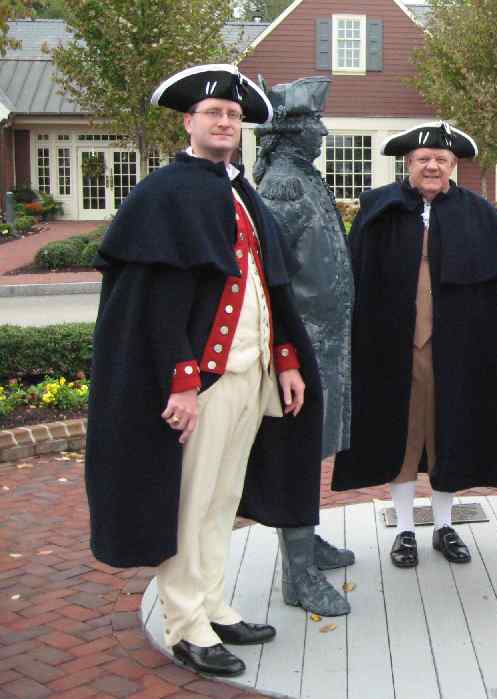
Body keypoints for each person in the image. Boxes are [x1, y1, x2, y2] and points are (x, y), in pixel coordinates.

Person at [84, 64, 325, 678]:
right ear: (188, 121)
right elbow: (153, 302)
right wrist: (182, 380)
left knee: (222, 498)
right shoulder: (165, 193)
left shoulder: (239, 190)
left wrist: (288, 361)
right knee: (190, 503)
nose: (225, 122)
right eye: (213, 114)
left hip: (253, 374)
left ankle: (212, 603)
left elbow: (269, 288)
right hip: (206, 381)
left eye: (234, 115)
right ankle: (186, 622)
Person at [332, 121, 497, 567]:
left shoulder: (478, 212)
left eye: (440, 159)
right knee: (401, 434)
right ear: (407, 164)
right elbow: (354, 276)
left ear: (453, 165)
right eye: (422, 159)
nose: (431, 165)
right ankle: (403, 529)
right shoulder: (380, 209)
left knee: (448, 432)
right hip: (392, 348)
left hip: (458, 349)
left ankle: (445, 525)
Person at [253, 75, 352, 618]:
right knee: (294, 454)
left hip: (326, 340)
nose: (322, 133)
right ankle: (298, 575)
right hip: (305, 344)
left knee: (310, 449)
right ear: (291, 133)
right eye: (313, 126)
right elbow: (275, 275)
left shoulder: (304, 178)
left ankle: (306, 542)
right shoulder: (285, 185)